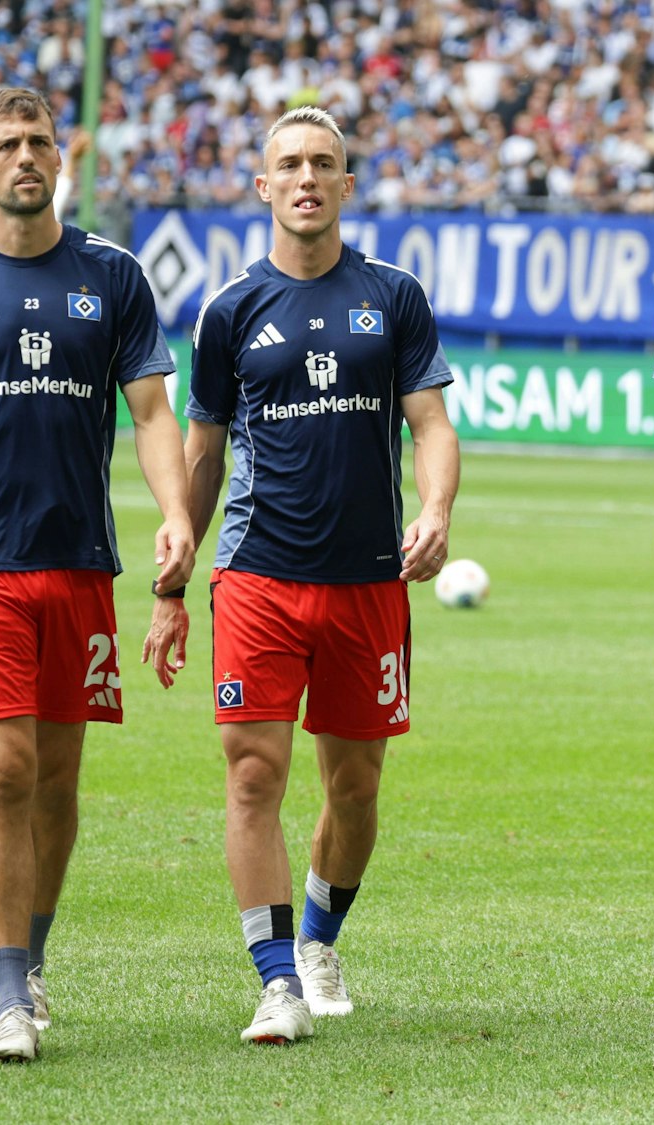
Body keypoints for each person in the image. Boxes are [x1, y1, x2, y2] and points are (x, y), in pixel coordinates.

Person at [0, 87, 195, 1062]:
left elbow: (149, 414)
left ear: (63, 158)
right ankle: (7, 996)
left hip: (81, 564)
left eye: (39, 142)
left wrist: (180, 513)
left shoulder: (113, 276)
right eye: (7, 145)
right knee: (4, 766)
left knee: (58, 779)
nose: (26, 157)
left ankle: (36, 959)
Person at [171, 106, 459, 1045]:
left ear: (346, 185)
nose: (305, 177)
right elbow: (202, 449)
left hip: (370, 581)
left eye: (322, 164)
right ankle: (275, 978)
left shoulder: (395, 296)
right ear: (263, 187)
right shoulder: (229, 311)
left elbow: (431, 424)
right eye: (288, 164)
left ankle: (322, 934)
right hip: (256, 575)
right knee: (253, 775)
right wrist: (177, 570)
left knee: (357, 788)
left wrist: (436, 509)